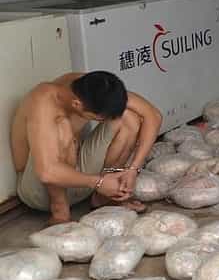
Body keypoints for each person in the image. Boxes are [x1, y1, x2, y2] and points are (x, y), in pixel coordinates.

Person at [11, 71, 162, 224]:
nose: (101, 121)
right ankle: (60, 213)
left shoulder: (92, 88)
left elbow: (153, 116)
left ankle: (105, 198)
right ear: (77, 104)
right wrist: (98, 182)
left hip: (80, 180)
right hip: (40, 193)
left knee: (128, 117)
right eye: (97, 118)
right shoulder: (43, 100)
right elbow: (47, 172)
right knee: (62, 126)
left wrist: (132, 170)